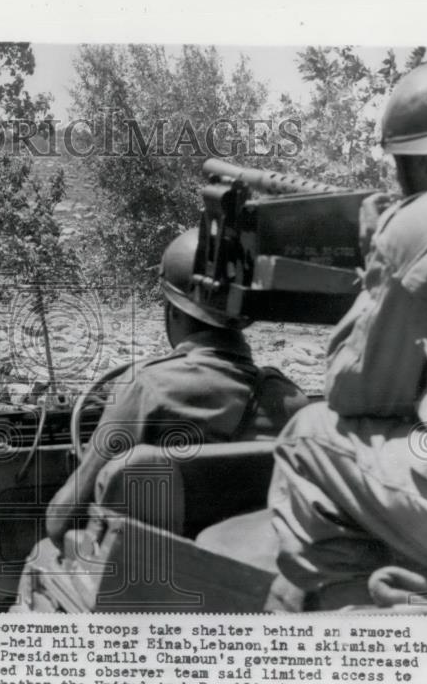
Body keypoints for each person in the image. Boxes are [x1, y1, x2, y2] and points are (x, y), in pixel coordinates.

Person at [265, 51, 427, 610]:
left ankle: (372, 615)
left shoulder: (421, 224)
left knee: (307, 435)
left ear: (417, 161)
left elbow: (357, 388)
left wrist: (382, 255)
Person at [44, 227, 308, 547]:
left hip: (155, 582)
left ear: (172, 312)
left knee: (43, 556)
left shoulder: (148, 388)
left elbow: (61, 523)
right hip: (249, 578)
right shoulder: (292, 403)